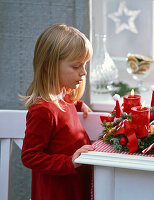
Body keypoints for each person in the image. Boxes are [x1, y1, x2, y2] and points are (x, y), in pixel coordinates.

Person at [21, 24, 94, 200]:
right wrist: (69, 162)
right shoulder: (42, 111)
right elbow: (30, 156)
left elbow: (65, 105)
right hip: (58, 190)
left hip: (74, 183)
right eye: (76, 66)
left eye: (84, 65)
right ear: (49, 66)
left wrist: (79, 105)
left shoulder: (63, 95)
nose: (83, 72)